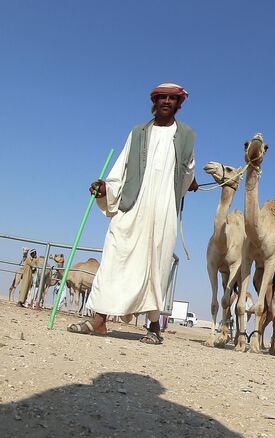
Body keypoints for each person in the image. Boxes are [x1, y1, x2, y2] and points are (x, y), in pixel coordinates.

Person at [67, 83, 198, 345]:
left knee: (156, 265)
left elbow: (187, 172)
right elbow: (121, 169)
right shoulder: (137, 132)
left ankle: (153, 327)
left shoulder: (187, 135)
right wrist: (106, 188)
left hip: (163, 211)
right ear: (155, 101)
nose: (167, 102)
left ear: (178, 104)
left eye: (173, 99)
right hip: (132, 205)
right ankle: (99, 321)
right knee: (116, 254)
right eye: (162, 97)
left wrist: (189, 183)